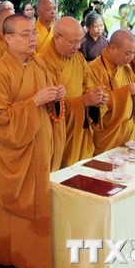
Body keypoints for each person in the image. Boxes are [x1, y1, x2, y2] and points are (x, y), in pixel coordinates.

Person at [0, 14, 65, 268]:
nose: (33, 38)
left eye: (33, 33)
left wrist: (54, 97)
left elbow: (47, 102)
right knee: (13, 210)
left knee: (39, 204)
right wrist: (34, 102)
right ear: (8, 38)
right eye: (25, 34)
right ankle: (8, 261)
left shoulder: (38, 64)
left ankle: (33, 260)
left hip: (39, 148)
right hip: (14, 155)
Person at [38, 17, 108, 168]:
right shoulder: (41, 63)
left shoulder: (79, 58)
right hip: (57, 132)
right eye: (73, 42)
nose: (78, 46)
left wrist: (97, 98)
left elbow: (89, 86)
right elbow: (47, 106)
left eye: (81, 41)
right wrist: (83, 101)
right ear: (56, 39)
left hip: (80, 127)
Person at [88, 30, 135, 154]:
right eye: (127, 53)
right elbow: (95, 108)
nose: (130, 58)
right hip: (108, 134)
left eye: (133, 53)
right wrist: (126, 91)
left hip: (128, 133)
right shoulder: (95, 69)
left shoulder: (125, 66)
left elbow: (134, 96)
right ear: (113, 48)